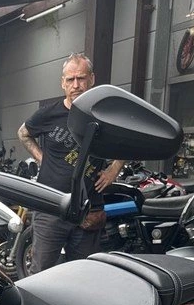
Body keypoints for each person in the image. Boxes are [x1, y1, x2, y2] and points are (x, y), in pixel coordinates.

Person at [17, 53, 124, 271]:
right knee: (41, 274)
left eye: (81, 78)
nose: (76, 85)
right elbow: (23, 133)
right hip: (51, 207)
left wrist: (114, 169)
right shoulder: (49, 114)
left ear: (92, 79)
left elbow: (128, 141)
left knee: (83, 275)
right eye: (70, 79)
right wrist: (42, 158)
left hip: (89, 210)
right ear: (63, 83)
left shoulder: (105, 116)